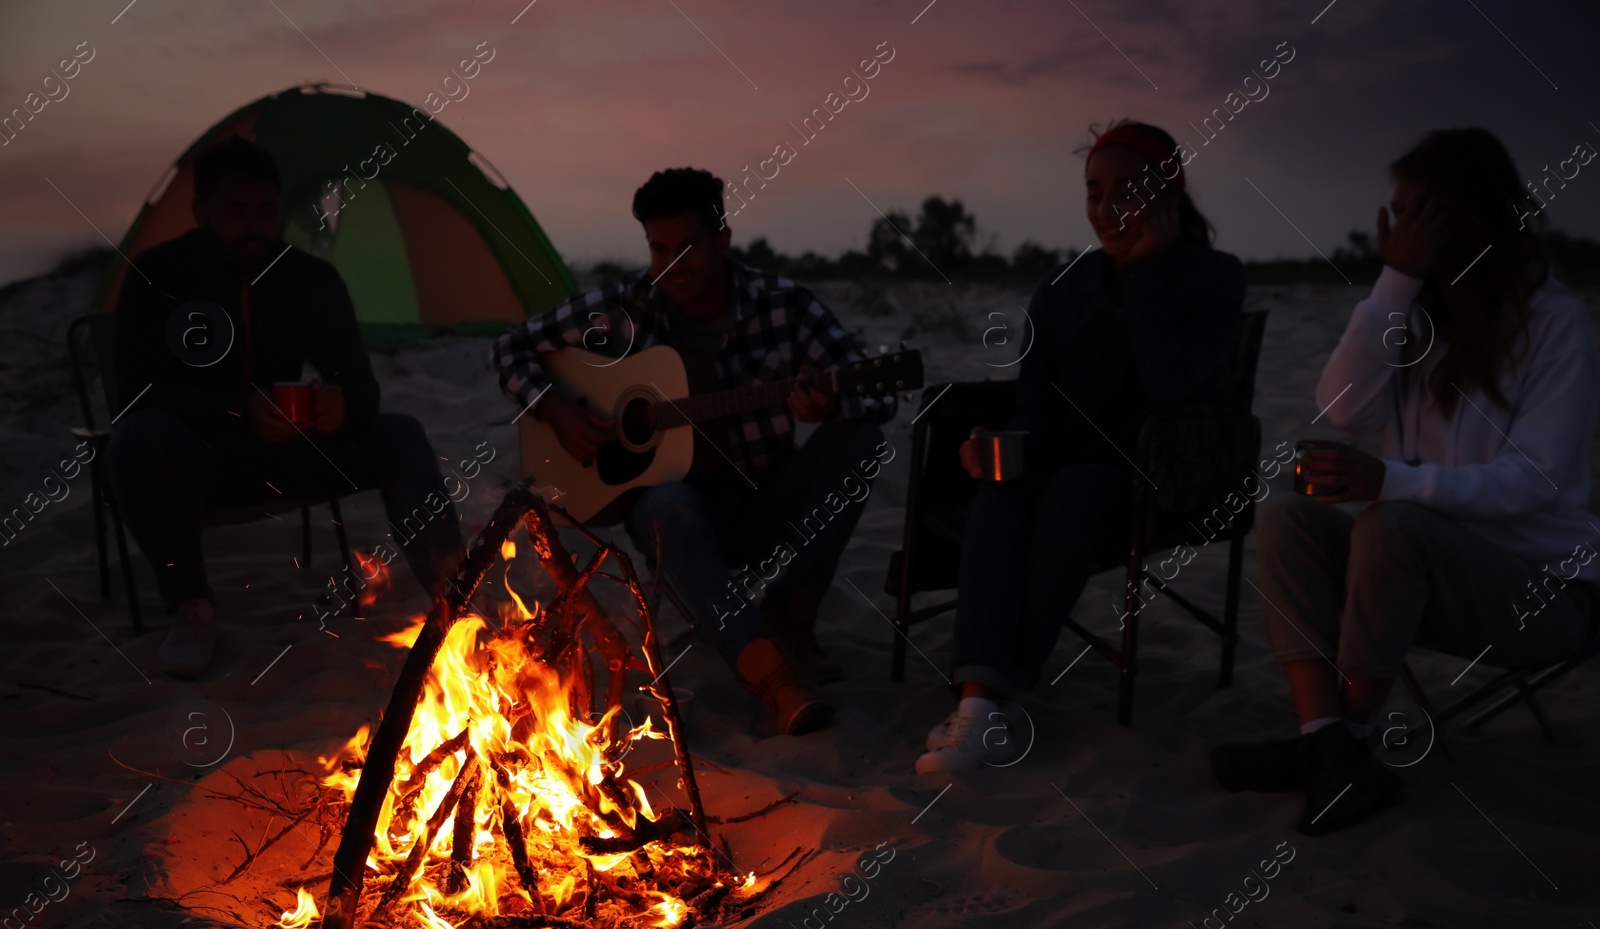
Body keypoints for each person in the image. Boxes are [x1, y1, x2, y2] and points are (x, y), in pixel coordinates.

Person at [1211, 127, 1599, 834]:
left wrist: (1389, 480)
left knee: (1392, 521)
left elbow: (1535, 481)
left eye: (1419, 213)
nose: (1398, 229)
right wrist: (1396, 282)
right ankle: (1326, 737)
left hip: (1542, 593)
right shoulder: (1420, 319)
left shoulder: (1555, 324)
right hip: (1414, 579)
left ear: (1469, 217)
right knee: (1285, 514)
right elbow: (1342, 406)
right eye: (1396, 213)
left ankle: (1345, 752)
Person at [494, 167, 892, 735]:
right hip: (678, 510)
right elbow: (510, 350)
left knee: (862, 441)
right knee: (665, 504)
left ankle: (791, 616)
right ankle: (770, 670)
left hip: (764, 498)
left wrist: (827, 406)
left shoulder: (784, 305)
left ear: (722, 240)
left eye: (689, 248)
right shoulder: (626, 308)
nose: (673, 267)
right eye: (660, 250)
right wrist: (556, 412)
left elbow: (872, 391)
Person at [918, 120, 1246, 774]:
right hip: (1061, 460)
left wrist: (1149, 274)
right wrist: (998, 442)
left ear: (1168, 190)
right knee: (1002, 490)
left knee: (1077, 489)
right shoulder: (1065, 287)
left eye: (1125, 191)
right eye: (1095, 193)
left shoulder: (1214, 277)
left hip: (1160, 471)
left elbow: (1174, 390)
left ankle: (994, 694)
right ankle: (983, 704)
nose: (1105, 209)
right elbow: (1034, 409)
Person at [110, 137, 466, 678]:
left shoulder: (308, 279)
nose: (253, 225)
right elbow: (134, 395)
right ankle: (191, 607)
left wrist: (340, 405)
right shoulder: (160, 275)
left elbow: (361, 384)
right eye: (235, 211)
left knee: (400, 434)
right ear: (200, 211)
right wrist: (238, 409)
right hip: (203, 462)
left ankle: (455, 598)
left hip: (294, 454)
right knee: (139, 439)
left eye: (266, 211)